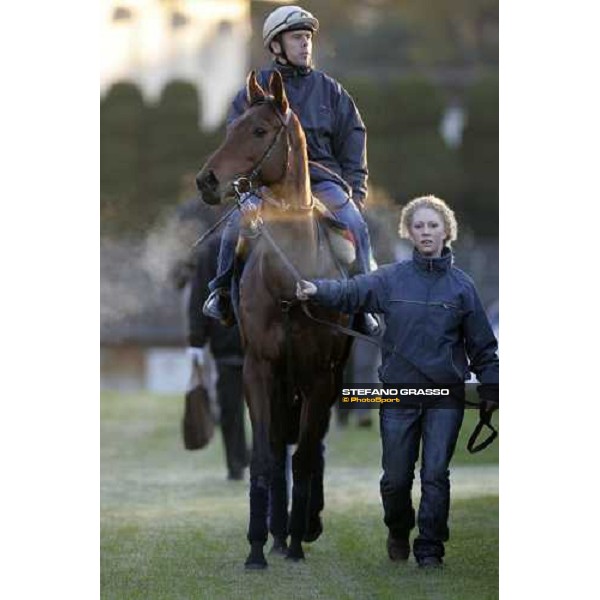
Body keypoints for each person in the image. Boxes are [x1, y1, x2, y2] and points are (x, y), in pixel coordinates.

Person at [296, 195, 499, 567]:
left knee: (435, 476)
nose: (425, 232)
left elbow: (483, 345)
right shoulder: (389, 278)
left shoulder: (462, 287)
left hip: (444, 397)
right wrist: (316, 289)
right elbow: (350, 291)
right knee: (395, 479)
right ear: (409, 231)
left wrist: (491, 386)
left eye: (433, 225)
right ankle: (398, 530)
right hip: (399, 394)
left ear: (446, 231)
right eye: (419, 225)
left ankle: (430, 549)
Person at [201, 4, 378, 334]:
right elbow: (237, 145)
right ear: (275, 45)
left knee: (355, 220)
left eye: (308, 38)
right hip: (265, 185)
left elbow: (354, 142)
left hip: (325, 183)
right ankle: (221, 292)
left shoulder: (333, 91)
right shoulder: (251, 95)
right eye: (297, 38)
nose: (305, 44)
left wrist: (356, 191)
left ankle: (365, 305)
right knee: (236, 225)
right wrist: (246, 194)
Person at [186, 233, 250, 481]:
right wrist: (196, 339)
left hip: (268, 343)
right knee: (230, 408)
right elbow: (198, 292)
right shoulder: (214, 247)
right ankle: (236, 464)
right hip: (227, 345)